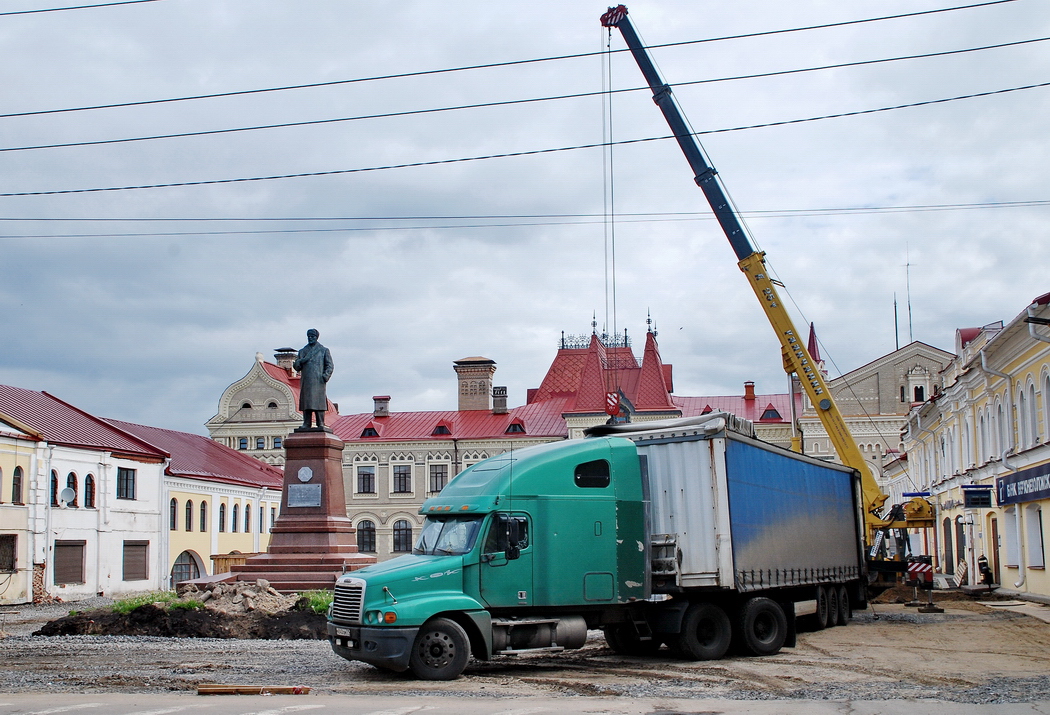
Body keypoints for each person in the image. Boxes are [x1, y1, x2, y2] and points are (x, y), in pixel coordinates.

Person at [293, 328, 334, 430]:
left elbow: (330, 365)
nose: (310, 338)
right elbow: (296, 367)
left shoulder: (323, 350)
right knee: (307, 402)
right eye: (309, 337)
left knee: (319, 403)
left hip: (318, 381)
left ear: (317, 337)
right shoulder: (303, 351)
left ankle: (321, 423)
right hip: (306, 381)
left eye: (312, 336)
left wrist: (325, 376)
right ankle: (306, 423)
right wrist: (302, 360)